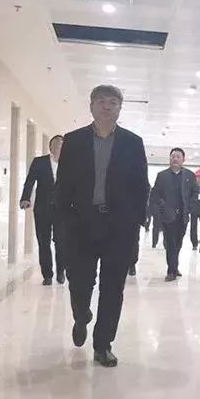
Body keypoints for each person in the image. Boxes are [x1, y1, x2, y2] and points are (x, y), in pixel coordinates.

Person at [55, 84, 149, 367]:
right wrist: (65, 221)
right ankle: (81, 315)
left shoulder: (133, 142)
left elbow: (141, 186)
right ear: (91, 106)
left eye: (113, 102)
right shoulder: (74, 140)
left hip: (118, 227)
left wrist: (135, 221)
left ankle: (103, 344)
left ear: (120, 108)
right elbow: (63, 186)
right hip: (81, 224)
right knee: (80, 282)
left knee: (112, 288)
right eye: (101, 101)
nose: (107, 107)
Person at [21, 136, 66, 285]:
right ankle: (47, 275)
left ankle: (61, 272)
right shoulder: (39, 162)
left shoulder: (70, 163)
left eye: (62, 145)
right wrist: (25, 198)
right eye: (56, 145)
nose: (59, 148)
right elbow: (30, 181)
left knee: (61, 242)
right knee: (43, 242)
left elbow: (76, 185)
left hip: (62, 210)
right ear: (50, 148)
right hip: (42, 208)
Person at [149, 148, 198, 281]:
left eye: (178, 156)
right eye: (173, 156)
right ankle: (171, 271)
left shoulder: (189, 175)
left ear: (183, 159)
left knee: (178, 243)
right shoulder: (162, 176)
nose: (175, 159)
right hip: (168, 215)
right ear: (170, 158)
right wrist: (162, 206)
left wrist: (190, 207)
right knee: (170, 242)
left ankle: (175, 267)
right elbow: (155, 194)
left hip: (183, 215)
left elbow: (194, 193)